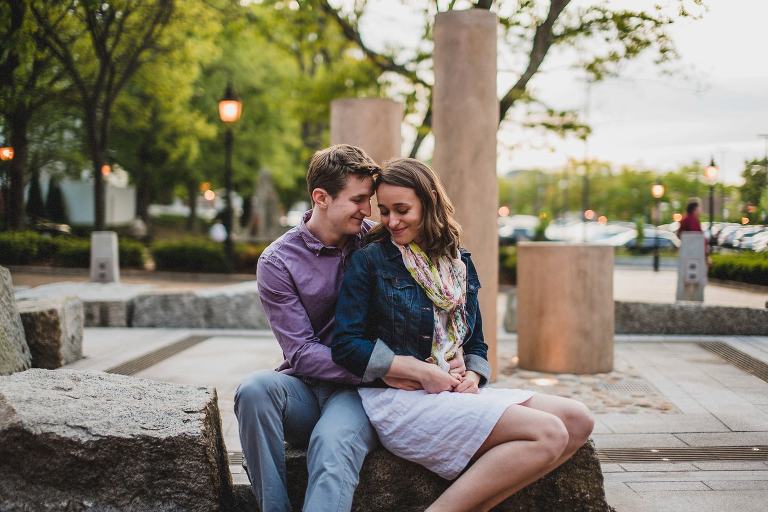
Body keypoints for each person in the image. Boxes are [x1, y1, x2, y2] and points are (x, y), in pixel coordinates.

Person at [331, 158, 594, 512]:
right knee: (549, 432)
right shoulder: (371, 260)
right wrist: (417, 369)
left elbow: (476, 343)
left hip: (453, 391)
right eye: (385, 210)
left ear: (430, 203)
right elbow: (346, 345)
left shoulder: (459, 261)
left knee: (578, 420)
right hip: (400, 400)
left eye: (402, 209)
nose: (392, 221)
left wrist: (473, 373)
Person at [233, 145, 383, 512]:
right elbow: (300, 352)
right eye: (358, 199)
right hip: (305, 388)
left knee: (331, 445)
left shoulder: (377, 242)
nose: (367, 210)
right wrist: (381, 366)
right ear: (321, 197)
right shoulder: (278, 261)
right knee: (254, 389)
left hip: (358, 394)